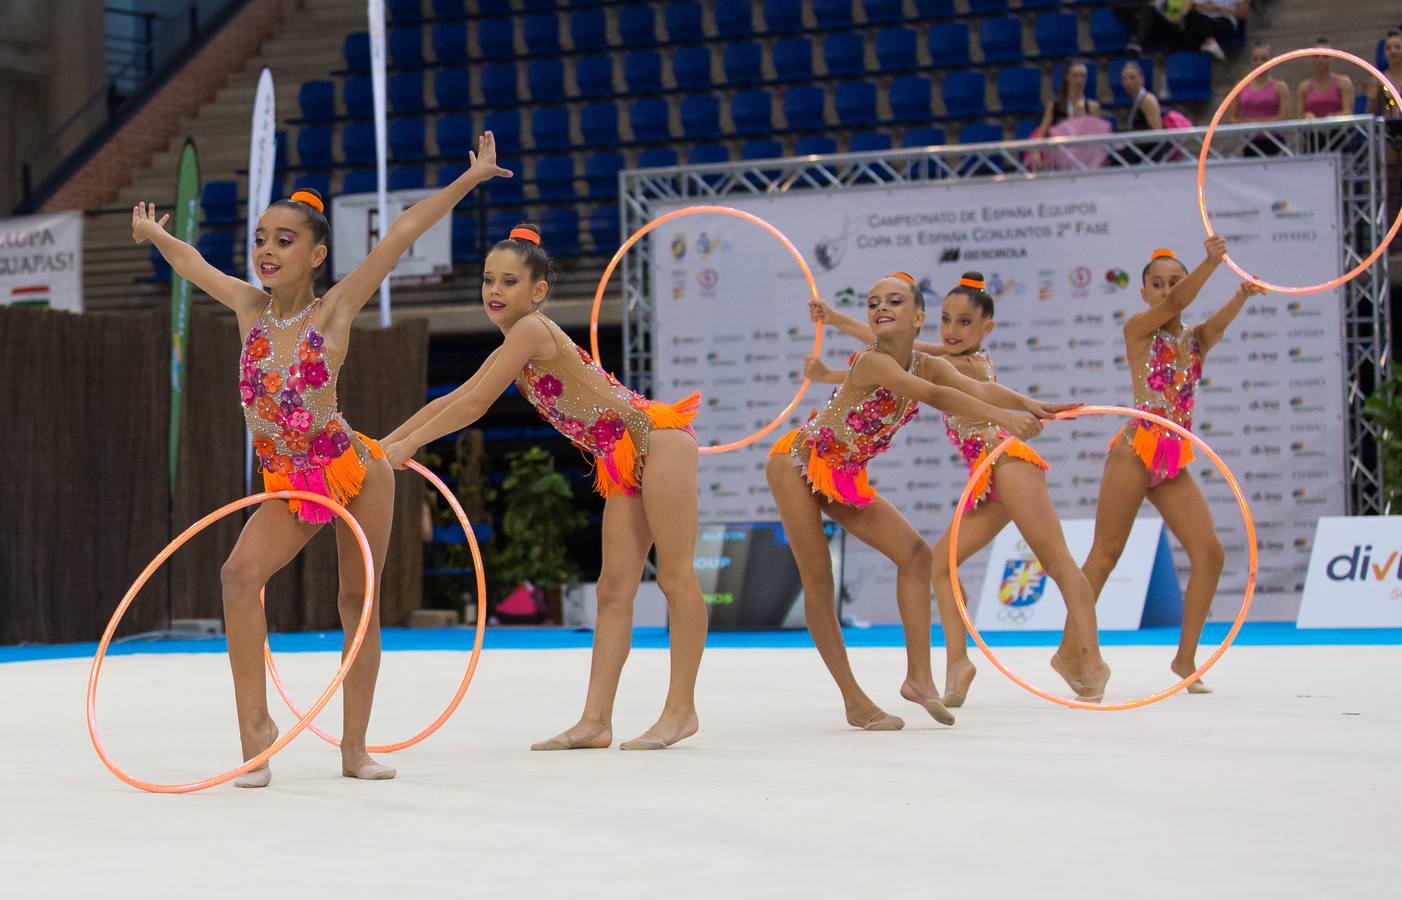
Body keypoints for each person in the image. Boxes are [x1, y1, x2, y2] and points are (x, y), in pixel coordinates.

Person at [131, 132, 511, 787]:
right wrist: (156, 237)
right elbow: (194, 265)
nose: (266, 251)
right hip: (290, 481)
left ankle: (354, 748)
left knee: (355, 601)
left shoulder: (334, 310)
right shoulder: (248, 308)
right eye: (259, 238)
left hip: (354, 469)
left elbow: (402, 230)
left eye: (283, 239)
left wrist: (469, 179)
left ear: (316, 253)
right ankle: (257, 734)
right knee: (237, 576)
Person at [381, 224, 707, 752]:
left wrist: (409, 445)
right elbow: (457, 395)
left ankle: (681, 709)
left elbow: (474, 406)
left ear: (537, 293)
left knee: (674, 576)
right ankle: (596, 720)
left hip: (659, 439)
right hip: (622, 458)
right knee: (612, 590)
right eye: (488, 279)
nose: (494, 290)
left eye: (509, 281)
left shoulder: (531, 330)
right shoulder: (517, 339)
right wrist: (384, 444)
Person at [810, 274, 1110, 706]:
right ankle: (958, 663)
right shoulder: (949, 360)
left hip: (1010, 464)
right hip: (987, 481)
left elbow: (897, 351)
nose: (951, 332)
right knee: (940, 567)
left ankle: (1090, 661)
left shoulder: (959, 365)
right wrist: (1028, 403)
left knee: (1058, 562)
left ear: (986, 328)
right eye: (947, 320)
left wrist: (836, 325)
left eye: (965, 323)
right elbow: (892, 356)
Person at [1055, 238, 1266, 695]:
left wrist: (1241, 296)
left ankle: (1185, 658)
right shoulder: (1138, 330)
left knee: (1210, 553)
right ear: (1145, 292)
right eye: (1158, 284)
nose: (1167, 289)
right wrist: (1211, 262)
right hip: (1135, 451)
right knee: (1105, 556)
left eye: (1175, 280)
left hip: (1172, 460)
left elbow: (1214, 327)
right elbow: (1177, 302)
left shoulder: (1193, 340)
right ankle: (1068, 651)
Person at [1230, 42, 1292, 156]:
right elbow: (1231, 118)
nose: (1259, 63)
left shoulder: (1280, 87)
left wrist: (1257, 123)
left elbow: (1285, 117)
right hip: (1249, 143)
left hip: (1275, 142)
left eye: (1264, 59)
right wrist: (1243, 123)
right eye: (1255, 59)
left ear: (1272, 60)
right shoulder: (1240, 86)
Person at [1296, 37, 1355, 120]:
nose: (1321, 60)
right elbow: (1299, 116)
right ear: (1311, 59)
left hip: (1338, 129)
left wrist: (1334, 117)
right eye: (1317, 56)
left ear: (1332, 58)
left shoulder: (1343, 83)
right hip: (1312, 130)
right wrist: (1306, 116)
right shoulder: (1303, 87)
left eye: (1325, 56)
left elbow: (1348, 112)